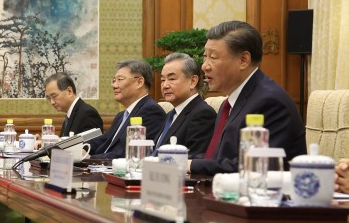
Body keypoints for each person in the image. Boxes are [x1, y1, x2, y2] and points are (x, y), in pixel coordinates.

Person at [189, 21, 306, 176]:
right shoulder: (231, 102)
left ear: (243, 60)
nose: (204, 66)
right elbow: (218, 158)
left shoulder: (270, 101)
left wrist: (191, 165)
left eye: (213, 57)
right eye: (205, 57)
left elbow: (254, 168)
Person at [88, 59, 165, 159]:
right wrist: (82, 149)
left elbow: (127, 153)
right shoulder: (121, 115)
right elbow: (104, 139)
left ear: (139, 82)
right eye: (114, 80)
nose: (114, 85)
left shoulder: (151, 111)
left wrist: (89, 159)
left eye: (120, 79)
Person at [152, 52, 216, 158]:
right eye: (163, 80)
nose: (165, 85)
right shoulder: (171, 115)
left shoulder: (202, 114)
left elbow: (193, 158)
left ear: (193, 81)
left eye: (172, 79)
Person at [44, 72, 103, 137]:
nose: (52, 102)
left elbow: (91, 146)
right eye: (49, 98)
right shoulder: (70, 114)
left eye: (54, 96)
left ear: (69, 91)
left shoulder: (87, 114)